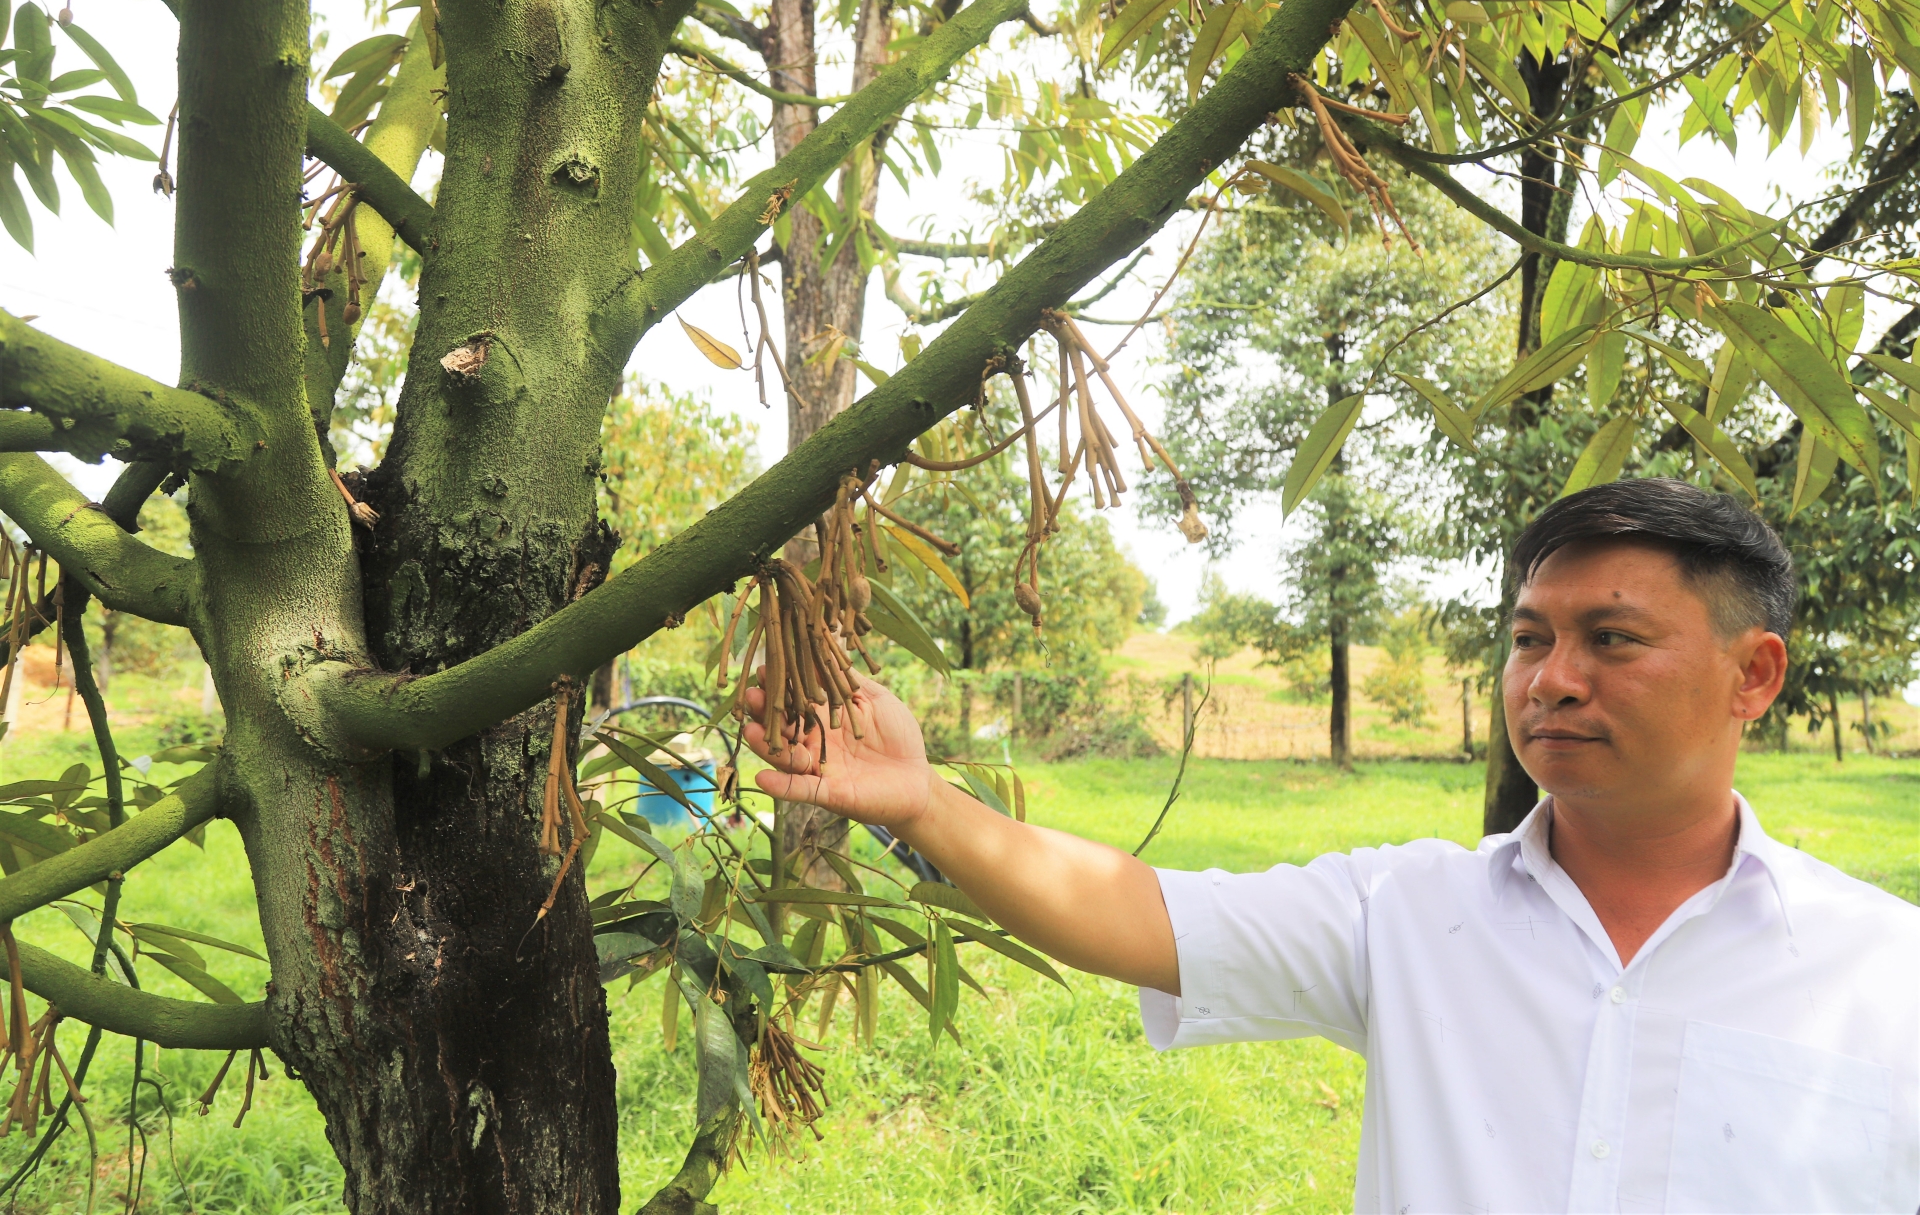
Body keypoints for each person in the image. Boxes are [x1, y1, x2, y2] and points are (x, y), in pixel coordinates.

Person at [742, 479, 1919, 1214]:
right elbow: (1135, 910)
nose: (1552, 678)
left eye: (1612, 638)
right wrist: (923, 801)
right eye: (1529, 636)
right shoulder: (1409, 912)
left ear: (1752, 674)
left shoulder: (1884, 974)